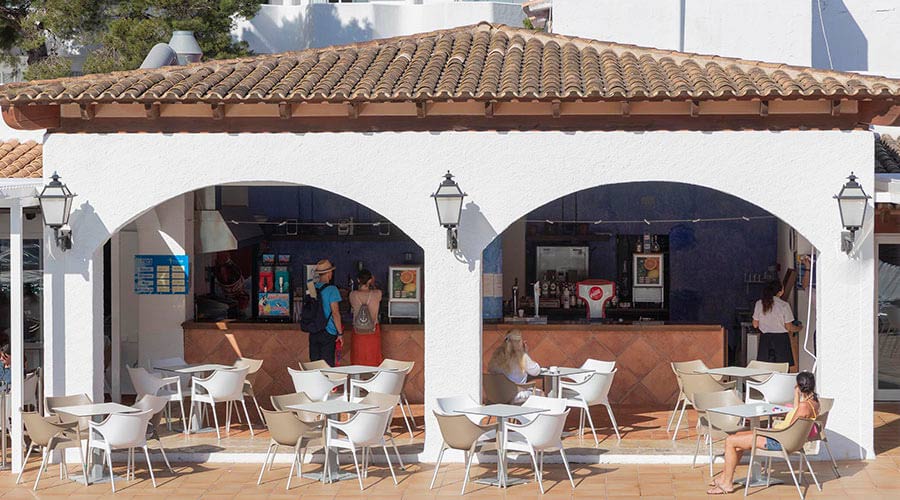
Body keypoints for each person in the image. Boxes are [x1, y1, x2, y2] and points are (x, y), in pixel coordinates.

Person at [707, 371, 820, 495]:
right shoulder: (813, 403)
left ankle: (727, 484)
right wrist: (796, 394)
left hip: (779, 440)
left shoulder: (804, 407)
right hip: (785, 438)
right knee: (737, 438)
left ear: (799, 385)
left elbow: (790, 427)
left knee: (730, 441)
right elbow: (797, 410)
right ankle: (724, 477)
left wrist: (769, 431)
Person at [752, 280, 801, 366]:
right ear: (780, 292)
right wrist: (799, 328)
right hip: (781, 340)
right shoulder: (784, 305)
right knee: (782, 369)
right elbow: (789, 327)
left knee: (765, 368)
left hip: (765, 340)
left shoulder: (759, 303)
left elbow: (755, 324)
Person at [487, 330, 542, 403]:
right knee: (541, 393)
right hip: (516, 395)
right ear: (520, 342)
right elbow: (536, 371)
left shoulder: (496, 357)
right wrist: (525, 353)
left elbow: (490, 369)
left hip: (498, 395)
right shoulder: (522, 357)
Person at [309, 259, 344, 366]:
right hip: (328, 332)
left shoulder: (311, 288)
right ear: (329, 273)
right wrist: (340, 333)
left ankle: (314, 383)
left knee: (314, 365)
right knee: (327, 366)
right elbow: (335, 313)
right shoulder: (333, 290)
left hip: (314, 331)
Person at [349, 268, 383, 366]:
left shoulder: (353, 295)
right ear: (370, 280)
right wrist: (372, 283)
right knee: (373, 357)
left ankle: (358, 379)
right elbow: (376, 290)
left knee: (358, 357)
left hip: (358, 331)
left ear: (358, 280)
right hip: (373, 330)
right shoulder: (377, 294)